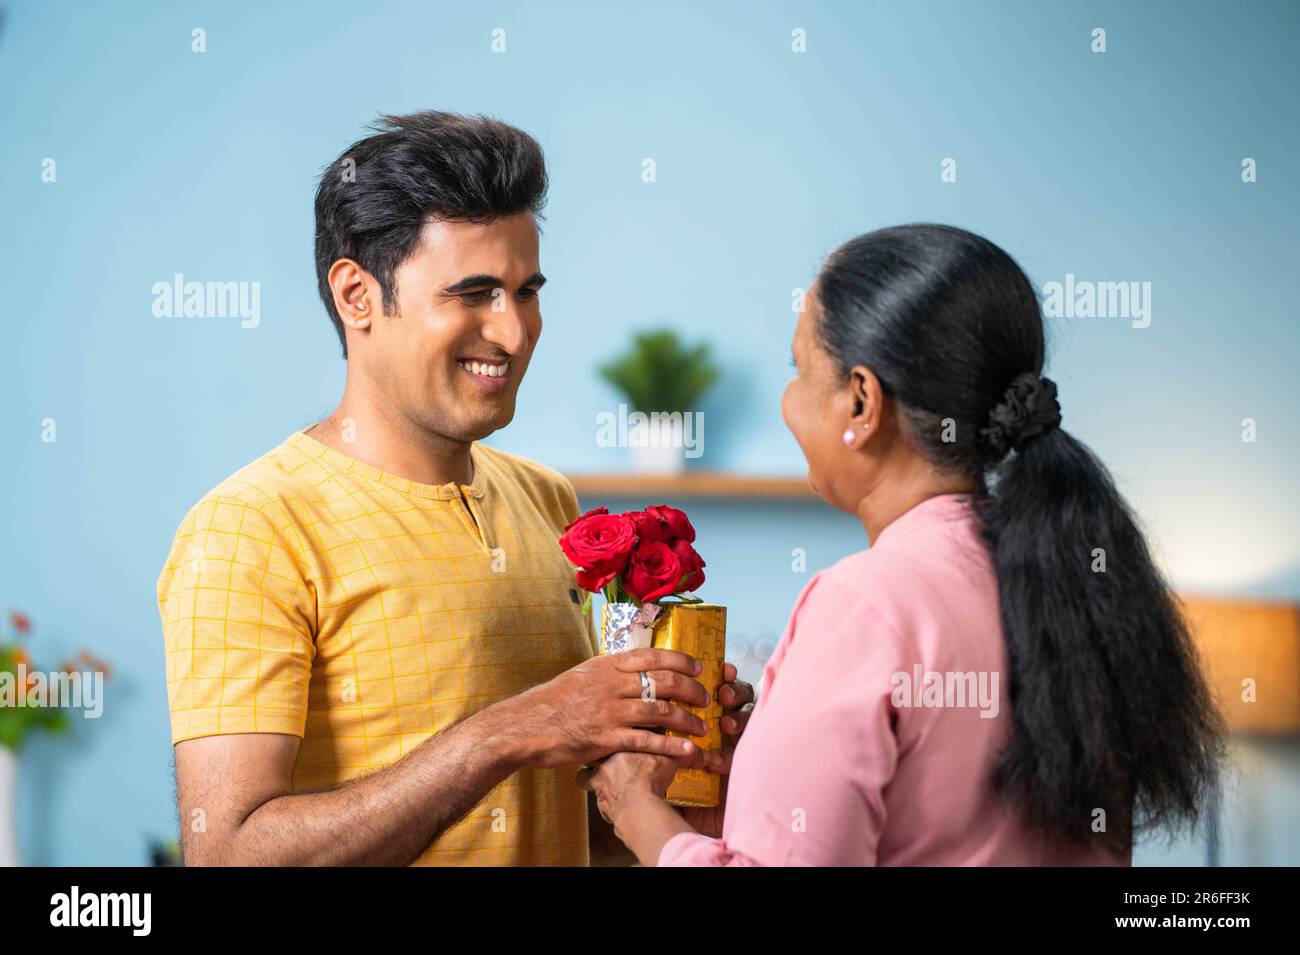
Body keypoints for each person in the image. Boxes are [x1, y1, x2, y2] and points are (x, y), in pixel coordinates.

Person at [156, 111, 753, 866]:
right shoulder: (250, 527)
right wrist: (509, 732)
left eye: (525, 290)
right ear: (357, 296)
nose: (512, 331)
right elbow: (228, 854)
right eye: (473, 293)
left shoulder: (547, 500)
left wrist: (670, 793)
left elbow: (563, 833)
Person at [582, 224, 1224, 866]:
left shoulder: (866, 604)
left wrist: (640, 816)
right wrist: (758, 790)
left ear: (861, 401)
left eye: (799, 370)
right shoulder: (1071, 577)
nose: (788, 401)